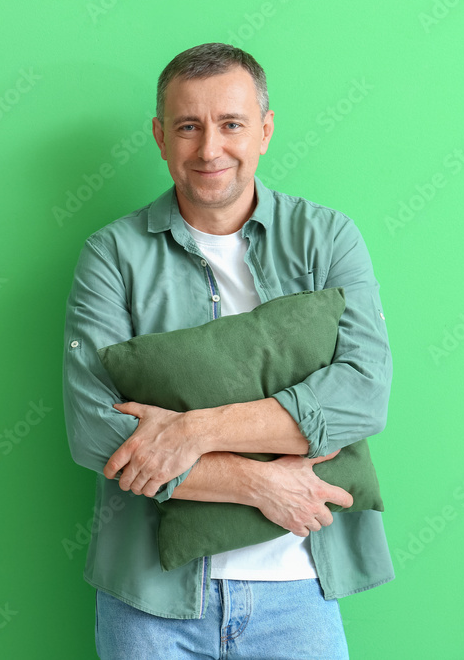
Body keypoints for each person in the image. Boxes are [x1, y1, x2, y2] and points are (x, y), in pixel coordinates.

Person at [61, 43, 393, 659]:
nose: (210, 149)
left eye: (231, 124)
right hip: (148, 600)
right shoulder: (111, 255)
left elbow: (363, 394)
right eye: (188, 127)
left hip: (302, 591)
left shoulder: (328, 239)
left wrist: (194, 430)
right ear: (161, 138)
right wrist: (258, 483)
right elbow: (95, 432)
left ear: (264, 131)